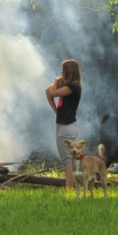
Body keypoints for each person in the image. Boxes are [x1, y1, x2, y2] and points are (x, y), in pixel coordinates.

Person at [45, 59, 82, 189]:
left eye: (63, 70)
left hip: (67, 126)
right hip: (63, 125)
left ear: (68, 72)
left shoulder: (73, 87)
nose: (61, 73)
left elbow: (53, 92)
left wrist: (56, 82)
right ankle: (70, 185)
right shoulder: (67, 86)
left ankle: (69, 186)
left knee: (67, 158)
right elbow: (47, 91)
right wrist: (55, 109)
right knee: (66, 157)